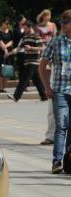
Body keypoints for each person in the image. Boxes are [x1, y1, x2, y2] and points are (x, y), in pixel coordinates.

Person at [39, 9, 71, 174]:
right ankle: (56, 161)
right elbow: (42, 65)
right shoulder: (56, 41)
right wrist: (47, 87)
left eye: (66, 21)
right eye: (62, 21)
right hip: (59, 90)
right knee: (61, 126)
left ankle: (69, 160)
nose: (62, 24)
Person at [6, 21, 46, 102]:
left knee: (24, 79)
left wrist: (31, 48)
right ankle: (44, 96)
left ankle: (16, 96)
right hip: (28, 61)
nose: (24, 30)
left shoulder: (36, 36)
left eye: (25, 28)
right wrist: (9, 53)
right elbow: (19, 48)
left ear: (29, 27)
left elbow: (43, 48)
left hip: (33, 61)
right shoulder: (25, 37)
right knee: (37, 80)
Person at [37, 9, 58, 146]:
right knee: (53, 110)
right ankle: (50, 136)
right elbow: (42, 64)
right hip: (58, 81)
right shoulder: (57, 42)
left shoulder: (53, 26)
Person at [0, 17, 14, 93]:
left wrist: (6, 47)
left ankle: (4, 87)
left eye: (9, 24)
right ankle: (0, 88)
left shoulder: (10, 32)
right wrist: (5, 50)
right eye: (6, 23)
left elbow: (12, 41)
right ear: (2, 23)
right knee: (1, 71)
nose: (8, 25)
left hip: (9, 53)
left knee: (8, 70)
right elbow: (0, 42)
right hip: (0, 53)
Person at [13, 15, 27, 85]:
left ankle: (26, 84)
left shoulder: (27, 28)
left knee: (27, 68)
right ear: (19, 21)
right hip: (19, 51)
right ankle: (21, 83)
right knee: (21, 68)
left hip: (27, 51)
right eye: (23, 21)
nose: (25, 22)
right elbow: (16, 39)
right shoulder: (16, 30)